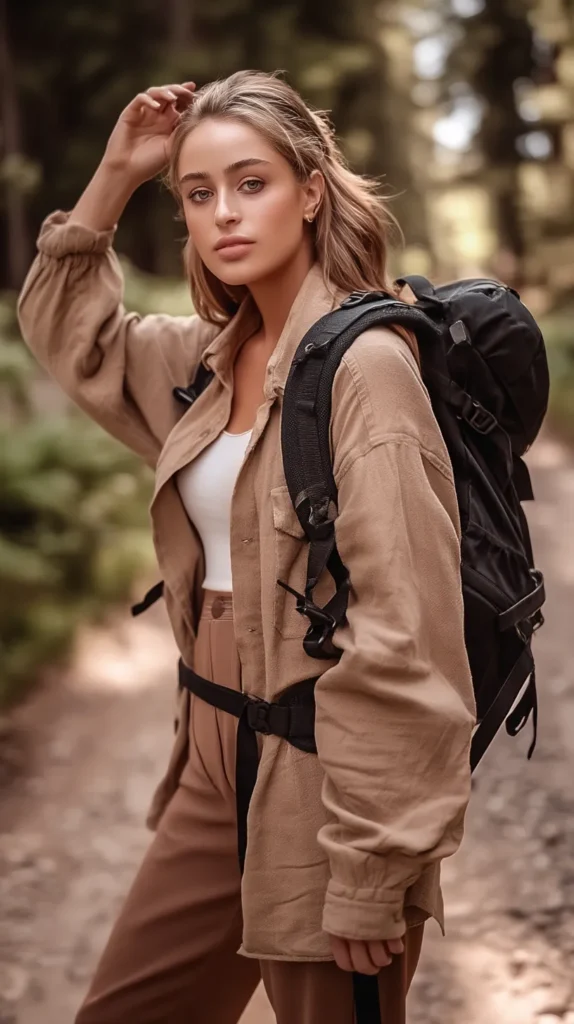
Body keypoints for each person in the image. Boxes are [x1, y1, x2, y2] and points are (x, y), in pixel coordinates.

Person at [18, 70, 476, 1024]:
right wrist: (114, 172)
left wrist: (371, 864)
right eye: (197, 193)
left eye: (252, 182)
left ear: (311, 189)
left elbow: (408, 637)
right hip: (211, 753)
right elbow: (71, 335)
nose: (222, 213)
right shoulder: (209, 359)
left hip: (324, 771)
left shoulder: (368, 369)